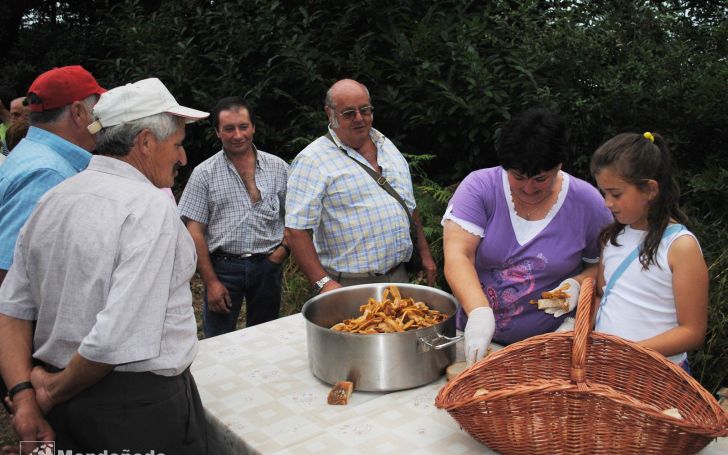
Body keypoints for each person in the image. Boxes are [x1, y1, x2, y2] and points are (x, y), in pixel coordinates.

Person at [0, 77, 210, 455]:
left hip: (61, 399)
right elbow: (114, 337)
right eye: (178, 144)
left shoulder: (55, 197)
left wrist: (27, 396)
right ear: (146, 142)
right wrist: (49, 391)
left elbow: (11, 307)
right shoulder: (150, 208)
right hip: (133, 410)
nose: (183, 157)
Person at [442, 107, 613, 366]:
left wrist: (578, 284)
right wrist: (478, 312)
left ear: (559, 165)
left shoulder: (588, 204)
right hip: (475, 340)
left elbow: (602, 266)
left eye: (540, 178)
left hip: (546, 352)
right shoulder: (480, 188)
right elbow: (458, 255)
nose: (528, 188)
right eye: (518, 176)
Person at [286, 78, 436, 294]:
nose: (359, 118)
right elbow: (295, 230)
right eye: (349, 113)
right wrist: (322, 283)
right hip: (347, 286)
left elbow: (410, 207)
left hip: (400, 278)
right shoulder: (312, 160)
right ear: (330, 113)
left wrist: (424, 255)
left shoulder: (386, 144)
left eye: (365, 110)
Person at [591, 131, 708, 373]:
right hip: (608, 370)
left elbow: (692, 331)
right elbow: (603, 296)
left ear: (650, 190)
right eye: (603, 193)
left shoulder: (680, 246)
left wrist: (628, 353)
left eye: (616, 194)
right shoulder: (611, 238)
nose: (607, 203)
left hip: (658, 376)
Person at [179, 97, 289, 337]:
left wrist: (281, 253)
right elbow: (194, 230)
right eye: (229, 128)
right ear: (218, 132)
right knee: (219, 340)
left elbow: (296, 217)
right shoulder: (204, 173)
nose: (238, 135)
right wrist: (210, 282)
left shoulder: (278, 167)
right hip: (223, 268)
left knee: (266, 337)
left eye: (243, 127)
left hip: (268, 264)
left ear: (253, 127)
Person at [0, 65, 105, 288]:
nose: (102, 118)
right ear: (78, 113)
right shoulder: (48, 175)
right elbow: (8, 274)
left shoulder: (34, 155)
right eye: (97, 109)